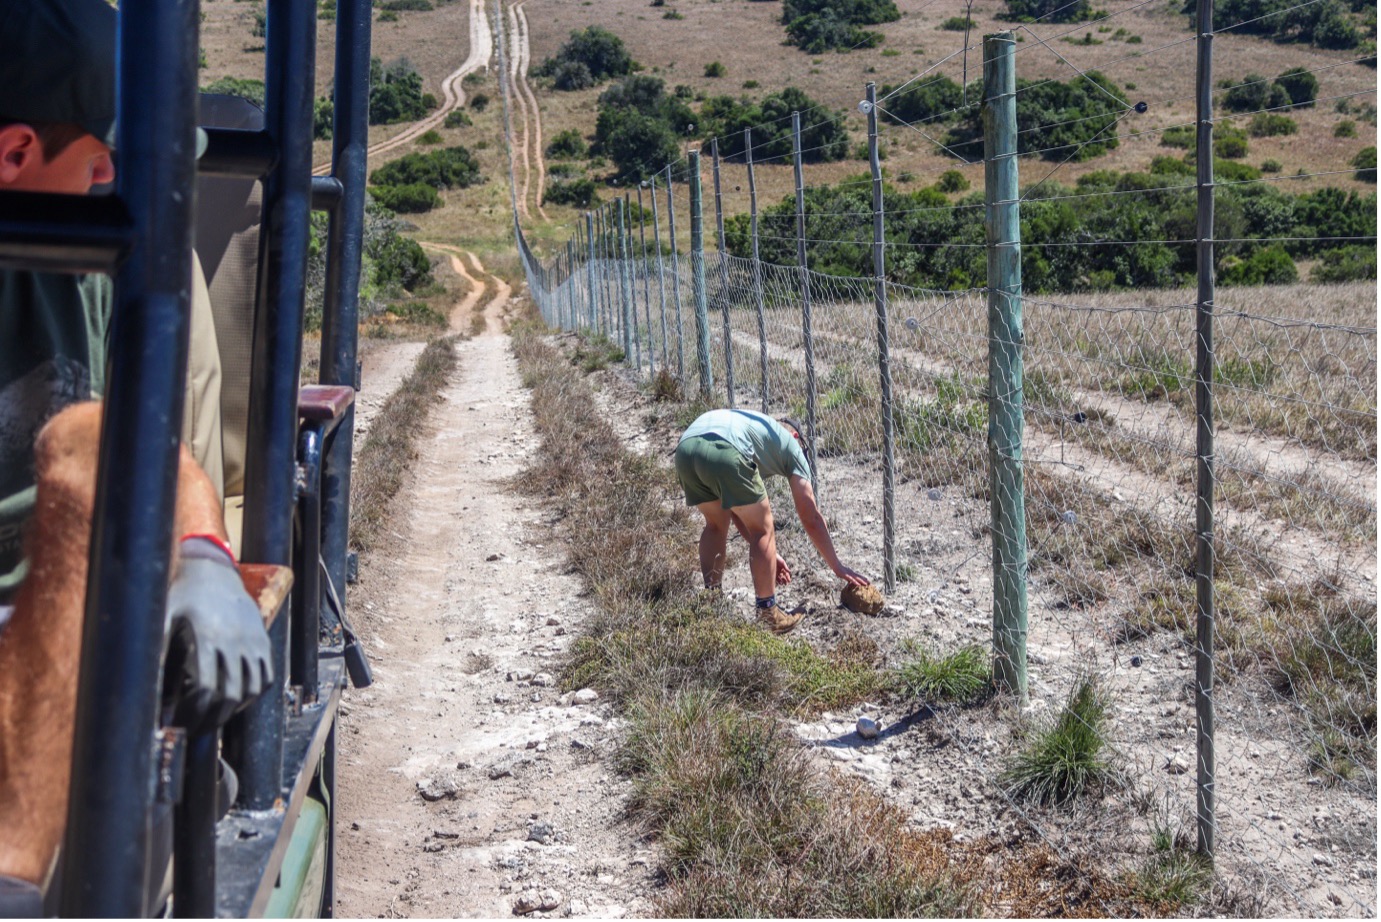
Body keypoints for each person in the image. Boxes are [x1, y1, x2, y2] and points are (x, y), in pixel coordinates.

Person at [0, 0, 271, 888]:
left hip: (50, 620)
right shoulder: (79, 238)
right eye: (102, 165)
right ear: (13, 155)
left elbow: (101, 435)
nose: (119, 189)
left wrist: (200, 547)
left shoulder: (95, 254)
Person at [674, 408, 869, 634]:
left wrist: (770, 555)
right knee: (764, 529)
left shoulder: (759, 430)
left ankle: (711, 602)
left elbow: (737, 509)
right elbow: (811, 517)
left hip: (686, 449)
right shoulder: (791, 446)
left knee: (715, 526)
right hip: (726, 449)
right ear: (796, 437)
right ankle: (768, 614)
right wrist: (837, 566)